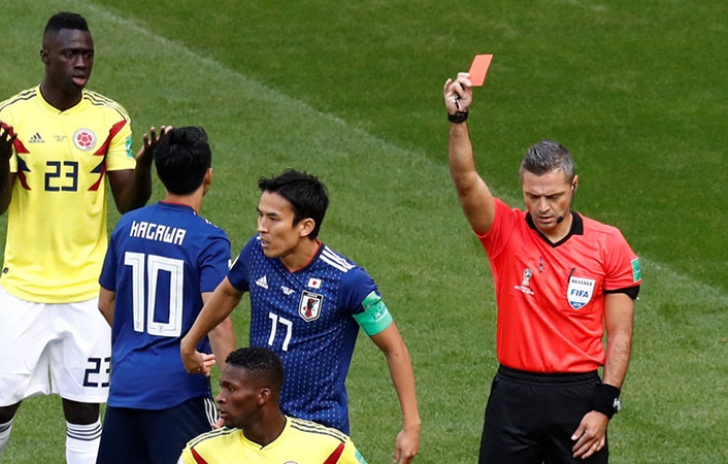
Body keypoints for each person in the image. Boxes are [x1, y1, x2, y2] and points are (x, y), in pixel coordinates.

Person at [0, 12, 154, 464]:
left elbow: (130, 202)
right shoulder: (9, 117)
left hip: (88, 293)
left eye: (88, 54)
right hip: (23, 291)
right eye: (71, 53)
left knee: (85, 412)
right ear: (46, 55)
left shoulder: (110, 117)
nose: (82, 61)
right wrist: (1, 157)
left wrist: (145, 163)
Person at [443, 73, 642, 463]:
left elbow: (620, 333)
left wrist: (604, 405)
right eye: (533, 196)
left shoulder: (609, 243)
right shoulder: (504, 231)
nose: (543, 206)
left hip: (578, 396)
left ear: (574, 186)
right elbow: (466, 181)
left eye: (553, 195)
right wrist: (458, 120)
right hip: (514, 396)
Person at [181, 170, 421, 464]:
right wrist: (190, 342)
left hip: (317, 429)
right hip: (261, 423)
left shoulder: (347, 280)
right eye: (260, 216)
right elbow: (228, 293)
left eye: (273, 219)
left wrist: (411, 426)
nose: (261, 228)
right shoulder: (256, 254)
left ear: (305, 226)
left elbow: (393, 348)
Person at [94, 126, 235, 464]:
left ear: (158, 173)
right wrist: (233, 391)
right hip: (179, 393)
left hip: (125, 387)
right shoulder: (209, 239)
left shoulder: (128, 225)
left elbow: (105, 302)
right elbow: (217, 321)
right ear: (208, 176)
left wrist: (136, 342)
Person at [179, 346, 369, 464]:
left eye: (231, 389)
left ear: (263, 396)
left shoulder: (330, 448)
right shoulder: (201, 453)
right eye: (222, 387)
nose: (219, 398)